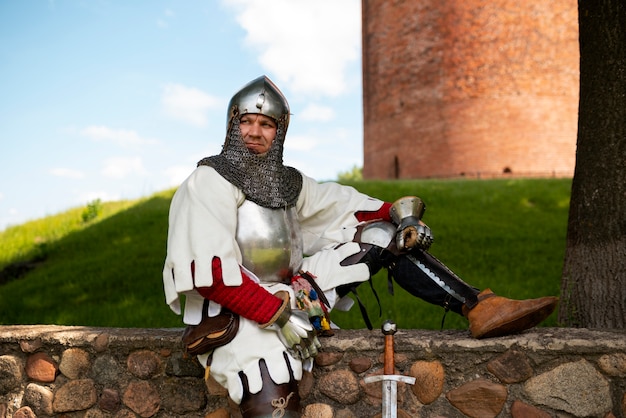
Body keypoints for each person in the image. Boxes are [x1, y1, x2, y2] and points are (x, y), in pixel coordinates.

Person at [162, 75, 558, 418]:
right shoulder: (209, 182)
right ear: (232, 124)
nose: (254, 132)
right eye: (246, 121)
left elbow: (348, 206)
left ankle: (478, 307)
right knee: (270, 384)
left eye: (266, 124)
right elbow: (212, 275)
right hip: (238, 310)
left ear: (280, 131)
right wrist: (278, 317)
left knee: (383, 236)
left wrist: (403, 217)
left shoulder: (287, 182)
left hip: (292, 295)